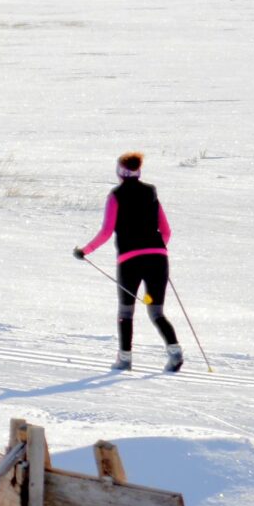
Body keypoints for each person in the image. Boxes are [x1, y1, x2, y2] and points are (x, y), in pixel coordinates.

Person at [73, 150, 181, 373]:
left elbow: (106, 231)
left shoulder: (116, 196)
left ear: (120, 171)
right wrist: (157, 250)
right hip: (158, 260)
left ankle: (125, 359)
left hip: (130, 261)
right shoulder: (151, 193)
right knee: (156, 312)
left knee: (126, 312)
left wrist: (85, 250)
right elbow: (166, 231)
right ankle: (175, 352)